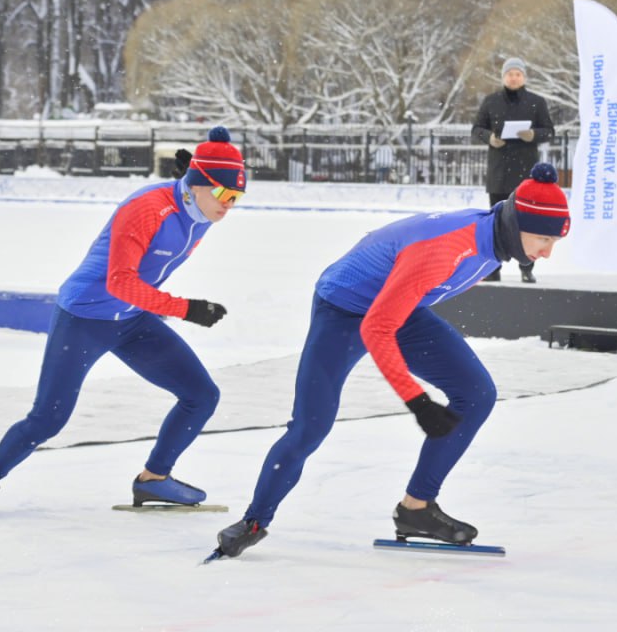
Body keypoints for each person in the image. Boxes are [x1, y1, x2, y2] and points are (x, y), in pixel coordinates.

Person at [212, 164, 571, 558]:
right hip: (343, 309)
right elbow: (376, 329)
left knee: (476, 393)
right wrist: (417, 401)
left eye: (554, 241)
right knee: (311, 427)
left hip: (400, 306)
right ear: (517, 222)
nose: (547, 252)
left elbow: (395, 304)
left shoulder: (499, 238)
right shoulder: (447, 249)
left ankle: (417, 509)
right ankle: (254, 520)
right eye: (542, 238)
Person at [0, 127, 242, 513]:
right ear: (199, 185)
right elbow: (119, 281)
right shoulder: (145, 209)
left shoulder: (202, 208)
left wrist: (198, 180)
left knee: (202, 396)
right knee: (48, 419)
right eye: (222, 193)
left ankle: (154, 481)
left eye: (236, 196)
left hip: (134, 321)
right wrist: (186, 309)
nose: (228, 205)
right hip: (84, 317)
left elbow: (190, 197)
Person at [471, 57, 555, 282]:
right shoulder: (491, 101)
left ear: (524, 77)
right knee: (496, 222)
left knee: (527, 222)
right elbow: (477, 128)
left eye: (518, 74)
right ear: (503, 77)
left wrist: (533, 135)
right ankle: (493, 269)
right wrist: (489, 138)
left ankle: (527, 268)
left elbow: (549, 130)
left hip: (526, 172)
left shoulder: (536, 102)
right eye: (510, 74)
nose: (513, 77)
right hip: (499, 171)